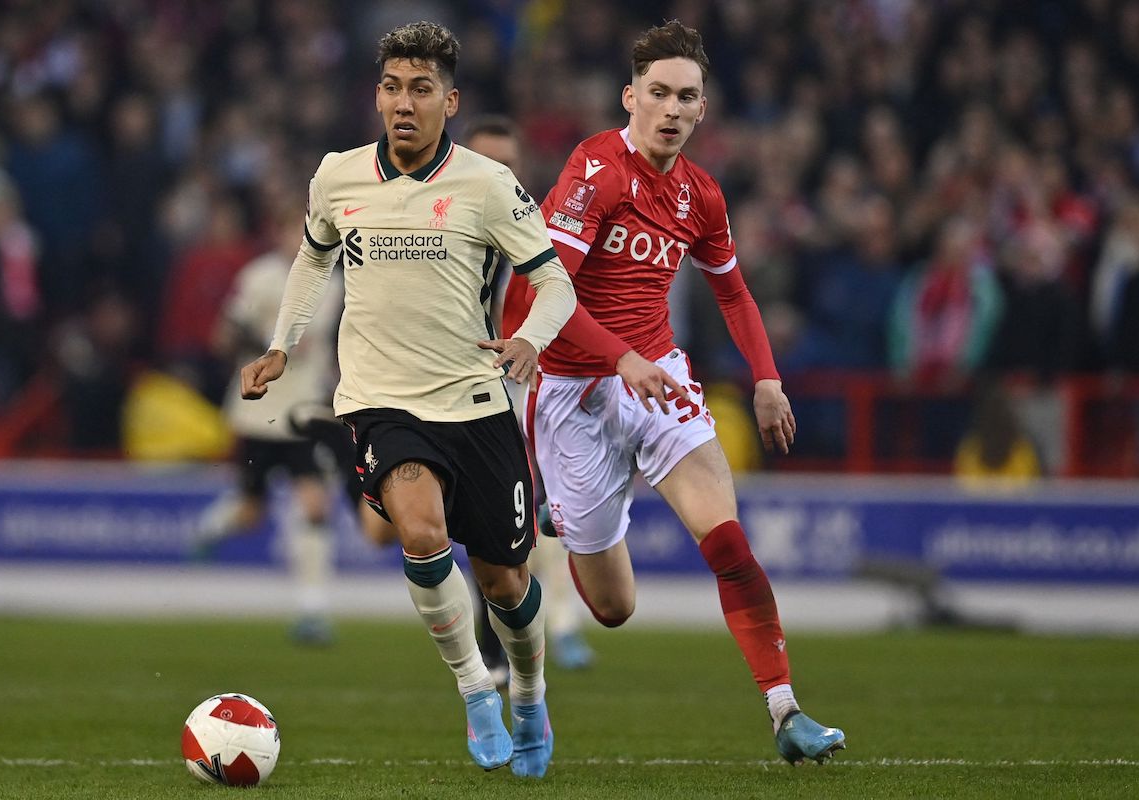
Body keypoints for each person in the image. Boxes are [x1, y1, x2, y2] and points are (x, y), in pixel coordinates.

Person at [500, 20, 845, 765]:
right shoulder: (595, 171)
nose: (671, 108)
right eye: (657, 92)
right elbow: (546, 291)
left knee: (728, 542)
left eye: (686, 96)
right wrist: (618, 358)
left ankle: (786, 712)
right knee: (616, 609)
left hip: (659, 378)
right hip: (573, 392)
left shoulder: (702, 196)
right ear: (631, 96)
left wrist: (766, 378)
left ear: (701, 109)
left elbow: (735, 294)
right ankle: (562, 516)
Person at [239, 22, 575, 778]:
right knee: (420, 534)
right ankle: (474, 695)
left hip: (476, 402)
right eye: (392, 86)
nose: (403, 102)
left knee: (506, 583)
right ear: (377, 95)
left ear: (449, 101)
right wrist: (281, 346)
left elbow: (554, 280)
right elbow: (311, 258)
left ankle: (528, 691)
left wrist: (532, 341)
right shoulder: (338, 176)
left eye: (421, 88)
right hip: (381, 400)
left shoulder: (488, 184)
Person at [464, 115, 595, 681]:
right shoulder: (440, 233)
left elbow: (570, 301)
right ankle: (494, 630)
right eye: (485, 162)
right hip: (459, 388)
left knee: (543, 508)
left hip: (532, 387)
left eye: (508, 165)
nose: (497, 174)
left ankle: (558, 626)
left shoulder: (541, 235)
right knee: (475, 518)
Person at [193, 207, 343, 646]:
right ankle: (210, 528)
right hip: (257, 411)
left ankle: (312, 610)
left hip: (304, 411)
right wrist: (257, 344)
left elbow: (330, 345)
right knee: (250, 510)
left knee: (315, 504)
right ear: (277, 233)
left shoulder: (331, 282)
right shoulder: (259, 278)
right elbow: (224, 335)